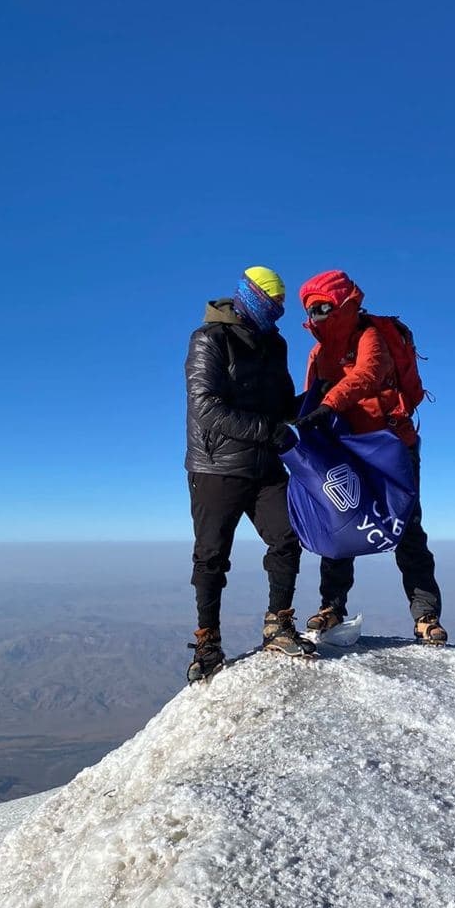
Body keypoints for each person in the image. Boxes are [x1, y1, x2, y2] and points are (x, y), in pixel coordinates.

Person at [295, 269, 448, 645]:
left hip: (391, 444)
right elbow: (311, 398)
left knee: (407, 527)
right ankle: (331, 607)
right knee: (338, 523)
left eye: (324, 306)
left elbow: (368, 374)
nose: (317, 316)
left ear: (345, 303)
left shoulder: (371, 336)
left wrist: (329, 404)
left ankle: (425, 614)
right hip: (348, 448)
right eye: (311, 309)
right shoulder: (318, 353)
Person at [184, 266, 315, 682]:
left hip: (264, 465)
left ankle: (278, 624)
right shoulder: (209, 339)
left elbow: (278, 404)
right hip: (217, 467)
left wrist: (318, 398)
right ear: (253, 297)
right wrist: (267, 432)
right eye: (274, 301)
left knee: (287, 538)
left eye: (281, 303)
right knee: (211, 556)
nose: (279, 309)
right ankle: (208, 643)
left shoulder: (274, 344)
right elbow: (205, 406)